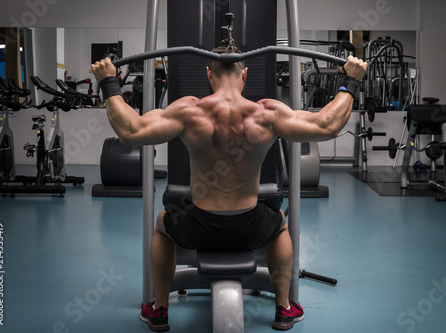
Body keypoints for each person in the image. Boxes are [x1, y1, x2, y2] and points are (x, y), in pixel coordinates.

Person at [91, 40, 367, 331]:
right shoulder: (266, 113)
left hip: (197, 228)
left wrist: (108, 81)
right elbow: (328, 126)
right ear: (244, 74)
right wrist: (350, 80)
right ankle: (284, 307)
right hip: (251, 228)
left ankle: (159, 309)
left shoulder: (189, 111)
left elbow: (130, 130)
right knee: (280, 222)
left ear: (209, 75)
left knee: (162, 223)